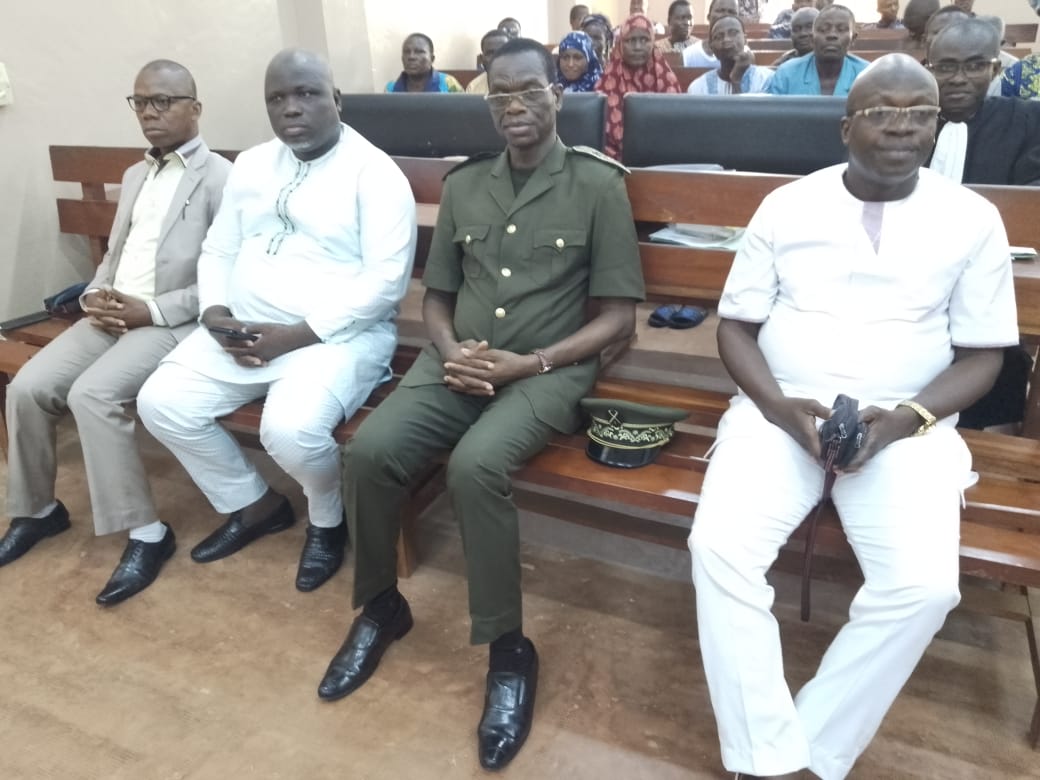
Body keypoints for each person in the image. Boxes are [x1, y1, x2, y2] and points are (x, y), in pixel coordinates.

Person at [316, 37, 644, 772]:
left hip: (546, 371)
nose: (515, 105)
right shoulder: (466, 184)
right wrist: (450, 349)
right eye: (501, 93)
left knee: (474, 468)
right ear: (487, 100)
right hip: (457, 360)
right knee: (367, 453)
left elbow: (620, 317)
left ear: (557, 95)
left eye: (530, 90)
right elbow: (436, 296)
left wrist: (530, 363)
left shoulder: (597, 185)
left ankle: (508, 650)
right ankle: (381, 606)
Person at [689, 52, 1017, 779]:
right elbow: (735, 327)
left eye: (920, 114)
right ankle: (762, 756)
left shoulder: (972, 219)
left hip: (907, 425)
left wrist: (900, 422)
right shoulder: (788, 205)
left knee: (924, 588)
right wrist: (779, 410)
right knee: (719, 550)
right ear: (846, 127)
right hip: (781, 411)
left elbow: (983, 356)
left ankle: (809, 746)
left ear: (937, 126)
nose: (902, 128)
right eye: (882, 113)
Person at [136, 49, 417, 593]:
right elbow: (220, 249)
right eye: (277, 98)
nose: (291, 108)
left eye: (307, 93)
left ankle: (327, 518)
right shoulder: (252, 164)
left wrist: (293, 337)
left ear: (336, 100)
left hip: (335, 338)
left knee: (288, 431)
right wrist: (216, 313)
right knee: (161, 403)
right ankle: (254, 504)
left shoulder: (375, 173)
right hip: (244, 330)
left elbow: (386, 282)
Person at [0, 61, 231, 605]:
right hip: (110, 313)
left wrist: (150, 310)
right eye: (141, 101)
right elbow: (114, 254)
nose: (150, 112)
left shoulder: (222, 179)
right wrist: (94, 296)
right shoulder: (134, 175)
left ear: (195, 108)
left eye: (164, 101)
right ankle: (37, 511)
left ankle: (148, 534)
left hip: (171, 321)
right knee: (28, 387)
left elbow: (226, 279)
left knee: (93, 394)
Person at [926, 18, 1040, 185]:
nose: (958, 79)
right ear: (930, 71)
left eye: (974, 67)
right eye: (945, 67)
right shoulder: (911, 122)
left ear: (994, 70)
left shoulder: (1028, 121)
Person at [597, 13, 682, 160]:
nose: (637, 47)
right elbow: (599, 135)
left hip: (663, 160)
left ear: (653, 42)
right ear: (620, 43)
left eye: (644, 40)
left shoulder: (667, 80)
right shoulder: (606, 83)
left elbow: (678, 127)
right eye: (631, 40)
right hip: (613, 162)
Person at [767, 5, 869, 95]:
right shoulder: (787, 74)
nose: (831, 35)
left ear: (853, 38)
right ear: (812, 37)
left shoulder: (867, 75)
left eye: (841, 29)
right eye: (823, 29)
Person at [688, 16, 774, 94]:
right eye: (718, 36)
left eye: (733, 33)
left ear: (745, 40)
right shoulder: (698, 87)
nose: (726, 39)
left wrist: (736, 80)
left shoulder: (765, 79)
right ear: (712, 47)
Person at [386, 33, 463, 93]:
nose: (411, 57)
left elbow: (463, 108)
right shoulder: (390, 89)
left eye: (419, 52)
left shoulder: (449, 84)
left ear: (432, 59)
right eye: (406, 52)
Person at [683, 0, 740, 68]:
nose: (725, 16)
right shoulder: (689, 55)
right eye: (720, 11)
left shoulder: (745, 54)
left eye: (732, 12)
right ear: (708, 16)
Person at [466, 29, 510, 95]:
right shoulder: (473, 87)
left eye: (502, 52)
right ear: (481, 59)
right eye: (490, 53)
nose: (496, 58)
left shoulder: (524, 83)